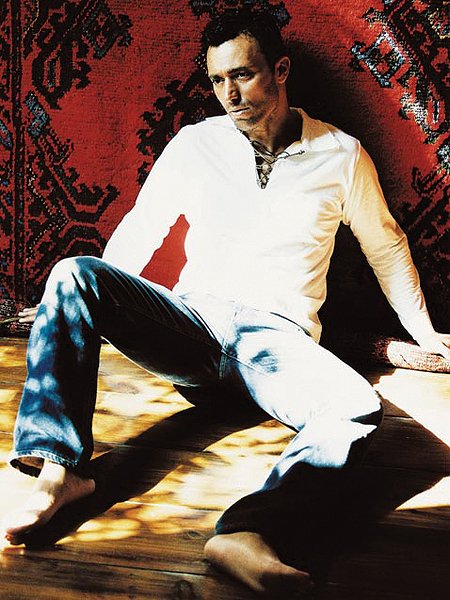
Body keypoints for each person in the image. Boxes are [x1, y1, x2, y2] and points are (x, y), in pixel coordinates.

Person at [2, 8, 449, 597]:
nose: (229, 94)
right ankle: (61, 471)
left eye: (242, 74)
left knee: (354, 406)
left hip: (278, 342)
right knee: (73, 274)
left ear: (280, 70)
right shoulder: (195, 144)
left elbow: (385, 245)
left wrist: (424, 331)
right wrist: (95, 307)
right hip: (193, 323)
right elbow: (140, 232)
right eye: (217, 80)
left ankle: (249, 533)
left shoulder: (342, 154)